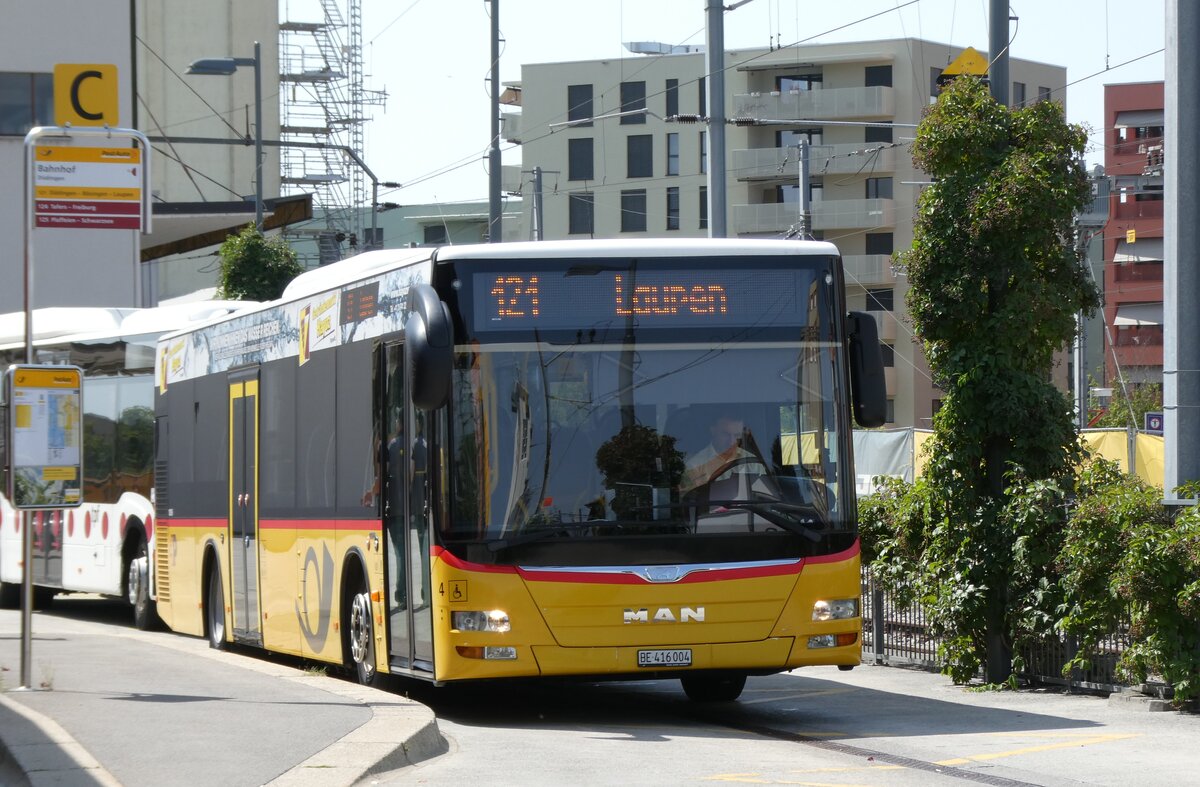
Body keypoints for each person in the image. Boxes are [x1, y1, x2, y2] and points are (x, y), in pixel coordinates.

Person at [680, 414, 766, 498]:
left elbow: (765, 499)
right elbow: (688, 502)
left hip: (748, 512)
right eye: (726, 435)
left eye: (736, 435)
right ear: (713, 430)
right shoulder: (694, 466)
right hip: (709, 512)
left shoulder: (753, 462)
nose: (732, 442)